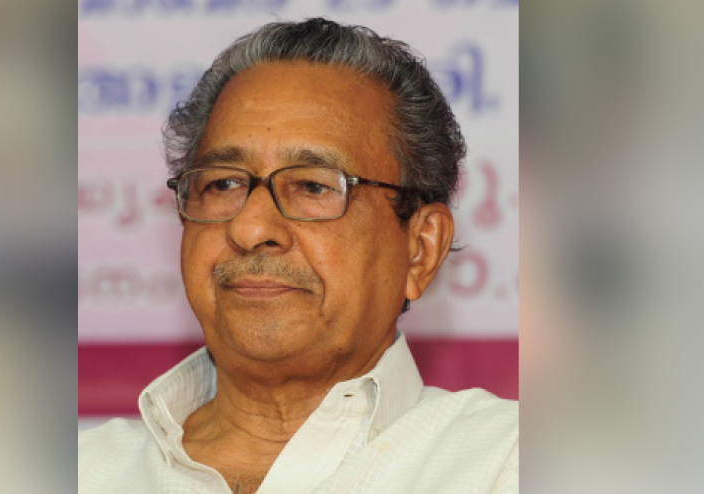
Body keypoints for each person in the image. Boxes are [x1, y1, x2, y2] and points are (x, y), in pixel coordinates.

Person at [79, 18, 518, 494]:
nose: (250, 229)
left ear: (420, 249)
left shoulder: (506, 463)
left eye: (313, 186)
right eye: (223, 183)